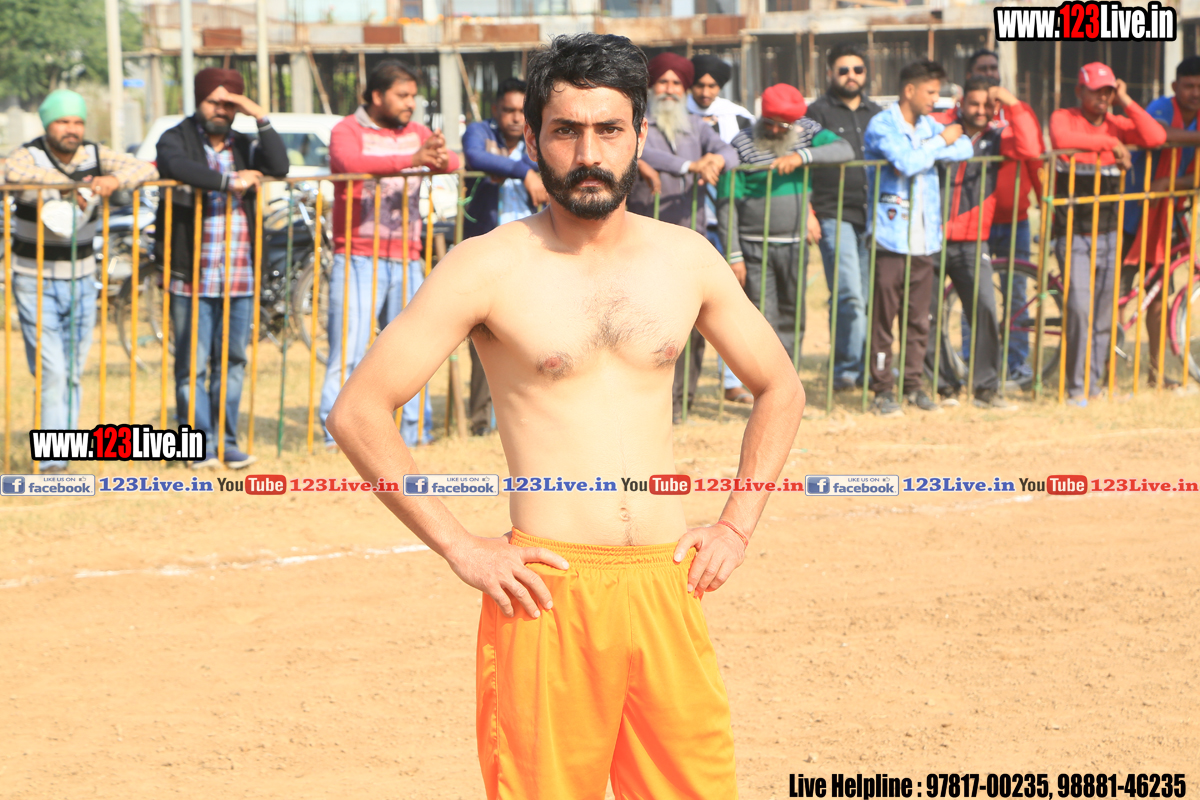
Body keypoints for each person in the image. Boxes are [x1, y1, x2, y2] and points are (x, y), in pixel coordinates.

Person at [326, 32, 803, 800]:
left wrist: (736, 526)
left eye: (609, 130)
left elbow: (780, 386)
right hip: (547, 594)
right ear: (534, 139)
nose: (588, 153)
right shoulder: (487, 265)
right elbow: (358, 412)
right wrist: (461, 547)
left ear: (639, 136)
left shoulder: (687, 258)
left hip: (666, 588)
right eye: (565, 131)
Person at [5, 90, 157, 472]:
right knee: (52, 370)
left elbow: (147, 169)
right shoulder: (30, 153)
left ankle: (62, 451)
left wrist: (113, 179)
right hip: (34, 278)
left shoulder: (96, 154)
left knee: (72, 370)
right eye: (62, 121)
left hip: (81, 277)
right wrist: (70, 184)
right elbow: (12, 172)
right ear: (47, 124)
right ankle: (51, 461)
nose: (71, 129)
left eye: (77, 122)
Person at [320, 60, 460, 448]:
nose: (411, 103)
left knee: (411, 352)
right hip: (357, 256)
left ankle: (414, 431)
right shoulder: (347, 129)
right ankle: (336, 436)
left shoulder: (416, 133)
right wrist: (412, 160)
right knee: (348, 350)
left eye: (413, 95)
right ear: (377, 96)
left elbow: (452, 161)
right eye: (403, 95)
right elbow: (349, 163)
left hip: (407, 256)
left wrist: (437, 156)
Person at [154, 68, 288, 468]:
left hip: (239, 274)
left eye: (229, 104)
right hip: (191, 274)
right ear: (198, 101)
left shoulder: (244, 143)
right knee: (192, 366)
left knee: (233, 362)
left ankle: (226, 442)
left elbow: (280, 165)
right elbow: (177, 166)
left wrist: (259, 115)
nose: (220, 110)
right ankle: (196, 445)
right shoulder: (176, 136)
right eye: (213, 101)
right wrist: (230, 182)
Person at [626, 51, 738, 422]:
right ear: (652, 86)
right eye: (663, 82)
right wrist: (691, 165)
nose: (670, 89)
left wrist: (716, 160)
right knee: (651, 326)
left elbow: (730, 151)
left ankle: (684, 402)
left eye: (677, 83)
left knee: (693, 323)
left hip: (690, 239)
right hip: (644, 241)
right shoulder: (637, 122)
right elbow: (644, 153)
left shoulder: (696, 125)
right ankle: (657, 405)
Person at [1049, 62, 1166, 404]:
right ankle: (1075, 388)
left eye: (1108, 91)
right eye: (1096, 91)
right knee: (1079, 309)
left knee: (1103, 313)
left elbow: (1156, 137)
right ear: (1079, 91)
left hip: (1110, 233)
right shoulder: (1064, 117)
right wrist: (1110, 143)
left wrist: (1126, 100)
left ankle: (1092, 385)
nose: (1103, 97)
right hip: (1073, 233)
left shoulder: (1118, 122)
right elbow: (1061, 139)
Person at [863, 60, 973, 416]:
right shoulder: (883, 124)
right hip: (890, 238)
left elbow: (965, 147)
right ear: (909, 90)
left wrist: (929, 147)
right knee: (883, 319)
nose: (935, 99)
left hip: (925, 239)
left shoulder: (927, 124)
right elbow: (905, 162)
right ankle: (882, 389)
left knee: (919, 318)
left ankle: (913, 385)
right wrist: (939, 143)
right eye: (930, 92)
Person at [923, 77, 1041, 409]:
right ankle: (944, 386)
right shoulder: (940, 127)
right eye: (974, 104)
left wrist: (1011, 103)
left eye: (988, 105)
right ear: (961, 102)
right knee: (927, 315)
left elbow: (1031, 148)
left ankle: (986, 389)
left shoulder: (998, 137)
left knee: (985, 310)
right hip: (931, 238)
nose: (980, 110)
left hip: (973, 241)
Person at [718, 84, 853, 367]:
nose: (775, 130)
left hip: (794, 244)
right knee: (762, 316)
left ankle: (789, 376)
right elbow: (727, 202)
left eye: (783, 126)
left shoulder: (807, 131)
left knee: (794, 313)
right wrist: (734, 254)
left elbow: (845, 150)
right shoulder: (742, 142)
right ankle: (765, 378)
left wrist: (802, 157)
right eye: (769, 123)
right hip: (755, 246)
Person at [462, 77, 549, 435]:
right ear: (495, 110)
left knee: (534, 338)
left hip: (533, 251)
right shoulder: (480, 132)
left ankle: (528, 418)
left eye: (521, 111)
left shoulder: (538, 138)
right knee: (486, 338)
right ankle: (481, 422)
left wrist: (523, 167)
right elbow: (475, 156)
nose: (515, 117)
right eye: (508, 110)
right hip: (487, 252)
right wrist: (524, 171)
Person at [804, 43, 884, 392]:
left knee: (867, 296)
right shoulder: (815, 113)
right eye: (843, 70)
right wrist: (807, 212)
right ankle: (845, 371)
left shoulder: (877, 113)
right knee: (849, 293)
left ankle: (866, 367)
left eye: (858, 69)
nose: (851, 76)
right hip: (833, 212)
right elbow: (803, 162)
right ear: (830, 74)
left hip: (874, 214)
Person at [1120, 55, 1200, 390]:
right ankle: (1105, 370)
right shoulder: (1161, 107)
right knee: (1117, 295)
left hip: (1165, 218)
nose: (1195, 93)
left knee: (1157, 297)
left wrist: (1170, 184)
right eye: (1189, 86)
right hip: (1129, 212)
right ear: (1174, 86)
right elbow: (1158, 134)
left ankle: (1155, 372)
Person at [688, 53, 756, 405]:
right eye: (699, 84)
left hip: (728, 220)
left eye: (712, 86)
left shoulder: (739, 117)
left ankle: (733, 381)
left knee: (732, 304)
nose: (705, 91)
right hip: (689, 221)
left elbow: (749, 156)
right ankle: (682, 389)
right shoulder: (673, 112)